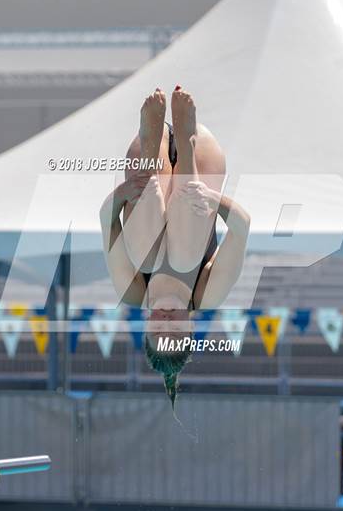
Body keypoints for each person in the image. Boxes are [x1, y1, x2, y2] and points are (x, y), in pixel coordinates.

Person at [100, 87, 250, 407]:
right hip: (200, 162)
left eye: (159, 330)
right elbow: (242, 226)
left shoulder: (133, 293)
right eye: (176, 331)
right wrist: (212, 199)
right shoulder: (207, 295)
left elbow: (107, 220)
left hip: (146, 166)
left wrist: (126, 190)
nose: (167, 321)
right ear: (191, 329)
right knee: (183, 258)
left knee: (147, 255)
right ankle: (185, 144)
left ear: (146, 329)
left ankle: (152, 153)